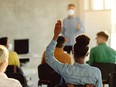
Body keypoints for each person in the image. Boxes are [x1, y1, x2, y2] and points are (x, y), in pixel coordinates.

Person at [45, 20, 102, 87]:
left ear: (72, 51)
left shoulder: (66, 70)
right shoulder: (96, 72)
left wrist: (56, 35)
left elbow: (48, 56)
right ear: (87, 53)